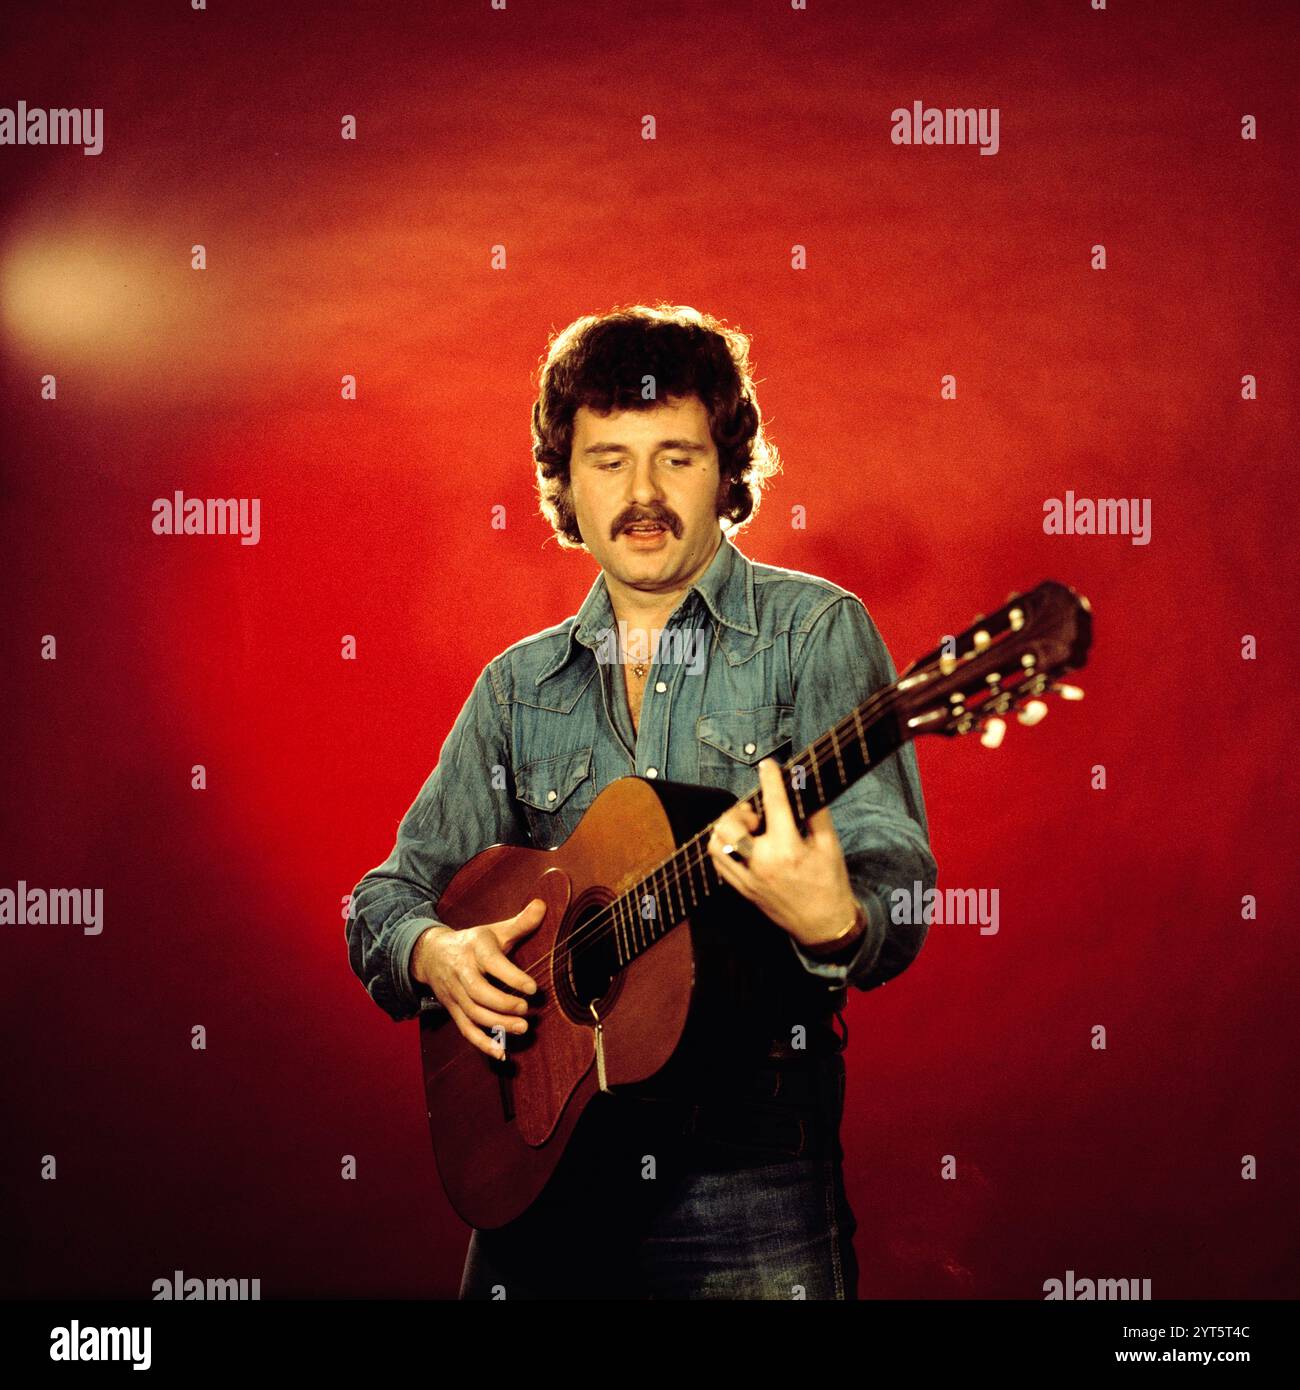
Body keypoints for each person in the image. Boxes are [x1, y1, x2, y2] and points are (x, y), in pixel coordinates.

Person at [345, 303, 937, 1299]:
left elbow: (895, 878)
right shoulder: (516, 686)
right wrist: (435, 951)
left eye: (677, 456)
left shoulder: (814, 632)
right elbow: (384, 897)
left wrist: (837, 922)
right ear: (566, 482)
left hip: (749, 1171)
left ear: (728, 470)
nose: (643, 494)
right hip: (542, 1179)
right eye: (608, 459)